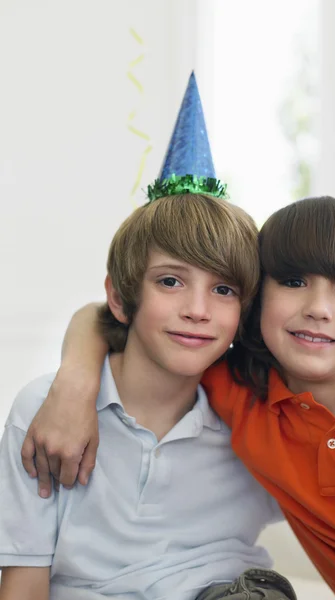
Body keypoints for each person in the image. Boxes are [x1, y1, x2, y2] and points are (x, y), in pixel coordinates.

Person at [25, 196, 335, 599]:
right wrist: (73, 387)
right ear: (256, 304)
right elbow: (110, 317)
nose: (319, 308)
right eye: (293, 281)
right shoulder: (240, 390)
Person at [0, 74, 297, 600]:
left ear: (245, 312)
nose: (198, 311)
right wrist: (73, 383)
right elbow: (23, 583)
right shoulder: (47, 412)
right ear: (120, 296)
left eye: (224, 289)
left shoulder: (259, 420)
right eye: (170, 281)